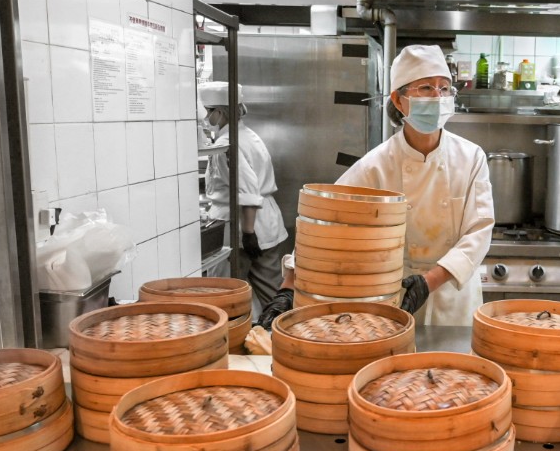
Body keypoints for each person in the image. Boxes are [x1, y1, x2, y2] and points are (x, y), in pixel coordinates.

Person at [258, 45, 494, 327]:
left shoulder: (471, 157)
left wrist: (430, 281)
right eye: (426, 88)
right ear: (398, 100)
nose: (438, 97)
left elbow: (479, 231)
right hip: (397, 294)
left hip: (454, 294)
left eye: (444, 88)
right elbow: (326, 221)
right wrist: (288, 286)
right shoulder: (377, 165)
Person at [198, 81, 288, 312]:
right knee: (272, 293)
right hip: (266, 223)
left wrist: (248, 233)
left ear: (220, 112)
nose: (206, 118)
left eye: (208, 112)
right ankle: (282, 327)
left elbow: (247, 190)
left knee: (225, 296)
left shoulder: (228, 144)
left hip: (243, 226)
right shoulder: (248, 135)